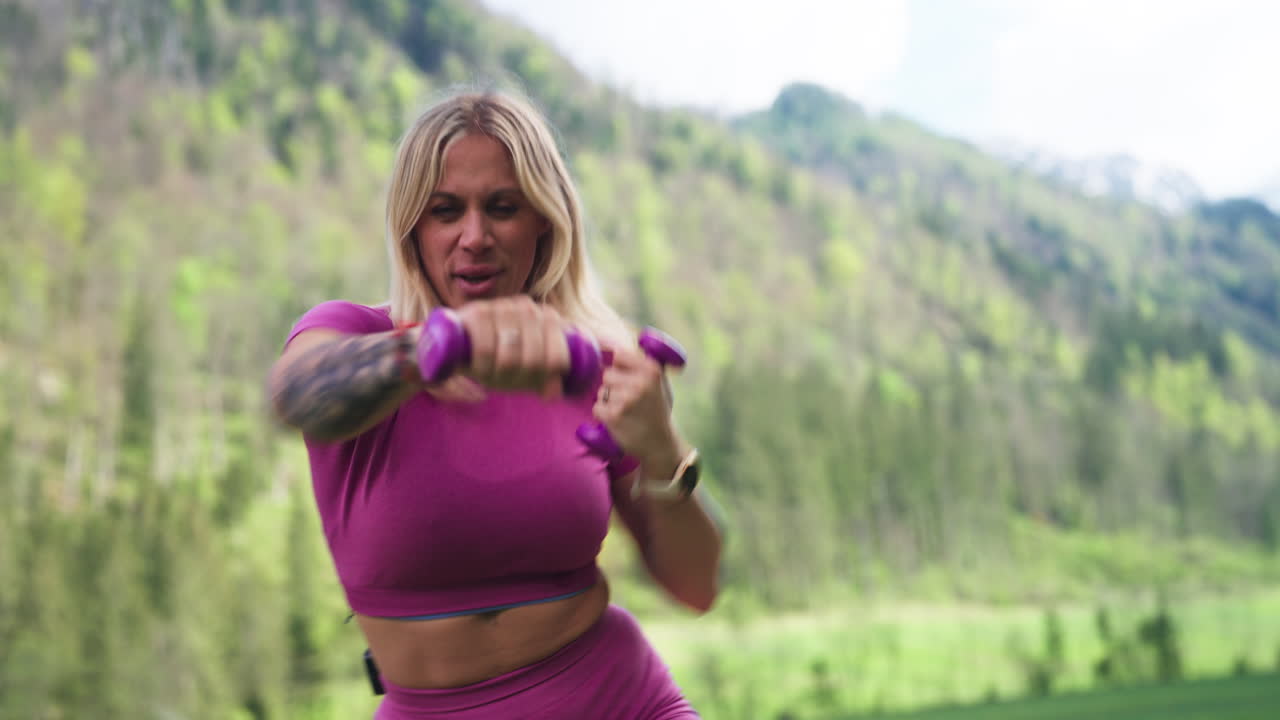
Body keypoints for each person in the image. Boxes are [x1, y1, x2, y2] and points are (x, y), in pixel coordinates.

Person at [268, 88, 722, 719]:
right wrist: (437, 348)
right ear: (413, 227)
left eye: (503, 207)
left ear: (544, 219)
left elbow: (697, 587)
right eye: (446, 210)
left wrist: (663, 447)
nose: (474, 237)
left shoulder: (589, 362)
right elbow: (297, 395)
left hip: (619, 699)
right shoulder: (354, 336)